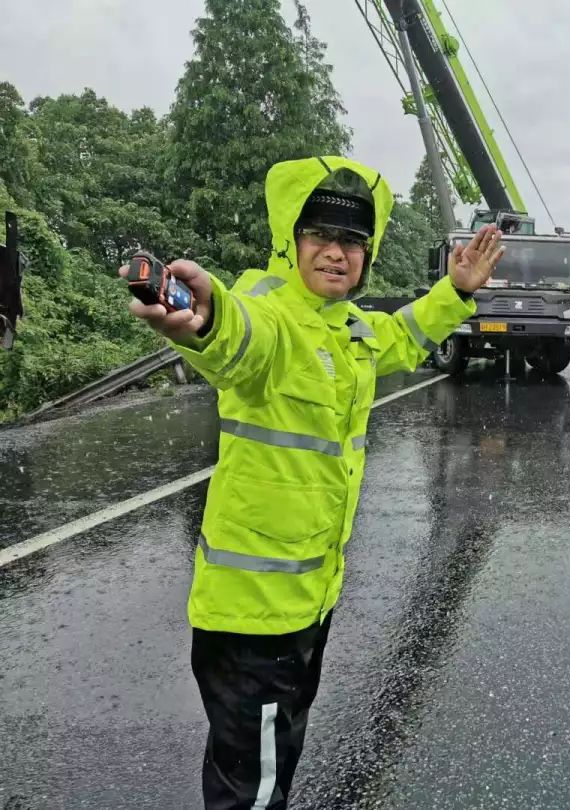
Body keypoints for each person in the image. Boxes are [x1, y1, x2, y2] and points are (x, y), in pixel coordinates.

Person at [120, 155, 503, 809]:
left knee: (262, 765)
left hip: (305, 604)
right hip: (255, 620)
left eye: (353, 241)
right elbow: (239, 333)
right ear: (290, 239)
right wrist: (207, 318)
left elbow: (403, 337)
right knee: (255, 788)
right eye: (320, 236)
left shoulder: (346, 326)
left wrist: (458, 291)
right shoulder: (270, 309)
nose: (336, 253)